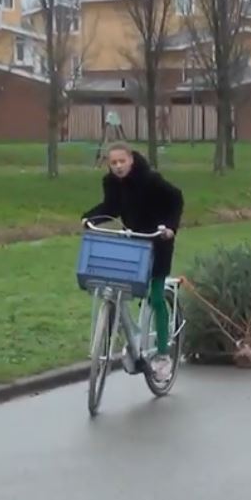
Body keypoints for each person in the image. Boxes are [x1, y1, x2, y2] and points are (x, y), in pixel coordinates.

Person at [82, 142, 184, 380]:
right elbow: (111, 207)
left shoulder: (150, 180)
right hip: (133, 242)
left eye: (122, 162)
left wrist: (170, 227)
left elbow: (176, 198)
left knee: (156, 297)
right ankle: (134, 342)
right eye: (113, 163)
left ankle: (162, 355)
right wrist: (89, 218)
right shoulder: (111, 183)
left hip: (158, 241)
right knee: (120, 289)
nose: (118, 167)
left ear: (131, 160)